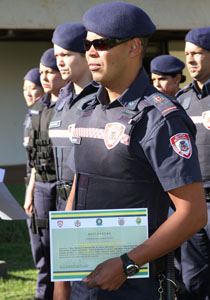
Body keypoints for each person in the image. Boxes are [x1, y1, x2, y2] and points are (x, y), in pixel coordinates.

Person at [65, 2, 207, 300]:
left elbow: (192, 214)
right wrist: (62, 285)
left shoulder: (161, 118)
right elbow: (79, 189)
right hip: (83, 282)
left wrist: (127, 264)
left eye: (100, 43)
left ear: (132, 48)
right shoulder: (88, 110)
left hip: (134, 286)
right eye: (87, 43)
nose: (90, 51)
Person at [49, 22, 98, 300]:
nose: (60, 62)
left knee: (85, 286)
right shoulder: (62, 98)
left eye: (66, 55)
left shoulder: (101, 98)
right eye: (57, 56)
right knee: (62, 283)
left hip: (87, 206)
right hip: (60, 201)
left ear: (85, 55)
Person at [24, 48, 66, 300]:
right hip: (40, 186)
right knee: (42, 246)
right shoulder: (37, 109)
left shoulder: (73, 105)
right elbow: (33, 159)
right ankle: (44, 295)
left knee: (64, 247)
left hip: (64, 187)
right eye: (41, 72)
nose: (44, 77)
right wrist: (29, 192)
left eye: (50, 71)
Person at [176, 26, 210, 300]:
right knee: (192, 280)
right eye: (187, 53)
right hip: (191, 204)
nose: (190, 59)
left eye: (197, 53)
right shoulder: (182, 100)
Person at [23, 68, 44, 183]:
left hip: (41, 178)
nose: (28, 93)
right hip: (31, 177)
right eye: (25, 89)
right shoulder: (30, 115)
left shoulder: (45, 115)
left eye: (32, 88)